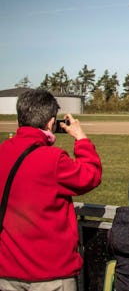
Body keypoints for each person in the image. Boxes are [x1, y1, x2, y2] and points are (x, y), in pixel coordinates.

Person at [0, 89, 102, 290]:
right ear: (50, 122)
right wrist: (81, 139)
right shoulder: (53, 159)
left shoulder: (3, 151)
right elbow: (91, 176)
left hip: (7, 269)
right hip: (49, 273)